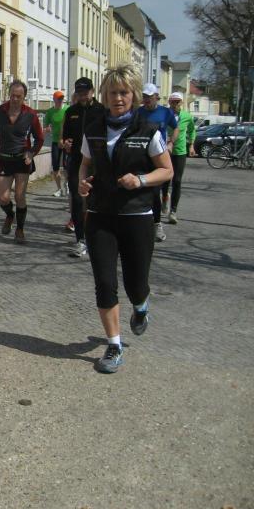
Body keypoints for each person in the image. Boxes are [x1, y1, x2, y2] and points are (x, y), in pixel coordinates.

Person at [78, 65, 173, 373]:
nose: (118, 98)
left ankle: (141, 306)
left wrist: (141, 180)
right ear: (104, 95)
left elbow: (167, 170)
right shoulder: (93, 127)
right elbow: (85, 163)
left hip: (137, 216)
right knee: (105, 283)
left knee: (136, 283)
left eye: (123, 92)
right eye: (112, 92)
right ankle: (114, 344)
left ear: (133, 95)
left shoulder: (147, 130)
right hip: (100, 215)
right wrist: (81, 183)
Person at [0, 80, 44, 243]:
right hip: (4, 159)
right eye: (12, 95)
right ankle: (10, 215)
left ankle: (20, 229)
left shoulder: (30, 114)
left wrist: (32, 153)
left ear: (24, 97)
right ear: (9, 94)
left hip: (22, 160)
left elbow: (39, 138)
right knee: (3, 198)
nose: (15, 99)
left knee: (19, 196)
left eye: (18, 96)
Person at [61, 77, 104, 257]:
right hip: (77, 161)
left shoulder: (102, 110)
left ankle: (97, 237)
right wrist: (65, 143)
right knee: (77, 200)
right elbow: (64, 137)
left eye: (85, 93)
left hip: (97, 162)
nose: (82, 96)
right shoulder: (71, 111)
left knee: (96, 200)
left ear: (92, 92)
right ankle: (80, 239)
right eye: (79, 93)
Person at [140, 83, 178, 242]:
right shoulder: (138, 112)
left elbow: (175, 128)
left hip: (159, 157)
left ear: (156, 97)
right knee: (142, 190)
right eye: (144, 96)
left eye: (150, 97)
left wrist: (170, 143)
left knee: (155, 193)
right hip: (142, 156)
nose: (147, 100)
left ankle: (157, 225)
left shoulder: (165, 112)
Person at [162, 91, 195, 224]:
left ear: (181, 102)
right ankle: (164, 198)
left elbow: (192, 130)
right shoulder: (164, 114)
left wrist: (191, 145)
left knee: (177, 181)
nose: (175, 104)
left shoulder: (187, 116)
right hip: (165, 151)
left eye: (177, 101)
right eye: (172, 101)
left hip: (180, 151)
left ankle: (173, 211)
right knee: (165, 180)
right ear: (169, 102)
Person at [43, 90, 69, 197]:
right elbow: (45, 126)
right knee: (55, 166)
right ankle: (59, 189)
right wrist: (47, 128)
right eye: (58, 98)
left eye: (61, 98)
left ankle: (67, 184)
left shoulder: (67, 109)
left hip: (66, 142)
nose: (60, 100)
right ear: (54, 99)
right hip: (55, 141)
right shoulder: (50, 112)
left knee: (67, 165)